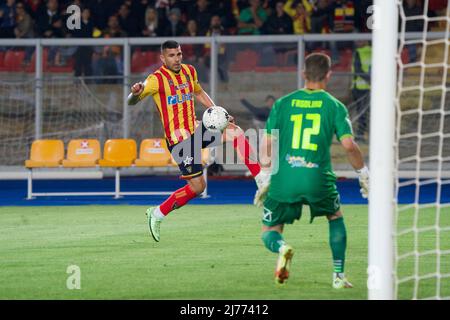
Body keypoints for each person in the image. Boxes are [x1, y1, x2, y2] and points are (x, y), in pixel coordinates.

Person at [128, 40, 270, 242]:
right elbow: (131, 101)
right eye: (172, 56)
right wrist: (134, 93)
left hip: (195, 128)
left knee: (235, 132)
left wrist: (220, 113)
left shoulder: (189, 71)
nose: (177, 59)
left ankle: (260, 179)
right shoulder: (155, 80)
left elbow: (199, 92)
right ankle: (158, 213)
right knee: (198, 187)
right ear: (163, 58)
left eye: (178, 54)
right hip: (180, 141)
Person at [257, 53, 369, 288]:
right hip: (318, 177)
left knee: (270, 229)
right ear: (329, 75)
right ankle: (338, 276)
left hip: (285, 177)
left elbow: (266, 144)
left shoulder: (283, 103)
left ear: (303, 74)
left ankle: (282, 247)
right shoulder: (334, 106)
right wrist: (363, 172)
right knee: (335, 217)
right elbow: (349, 145)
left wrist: (265, 175)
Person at [351, 40, 371, 141]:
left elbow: (358, 70)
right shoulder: (375, 51)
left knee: (361, 113)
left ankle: (360, 135)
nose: (357, 43)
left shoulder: (358, 52)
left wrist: (369, 80)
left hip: (359, 88)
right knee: (368, 113)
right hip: (372, 88)